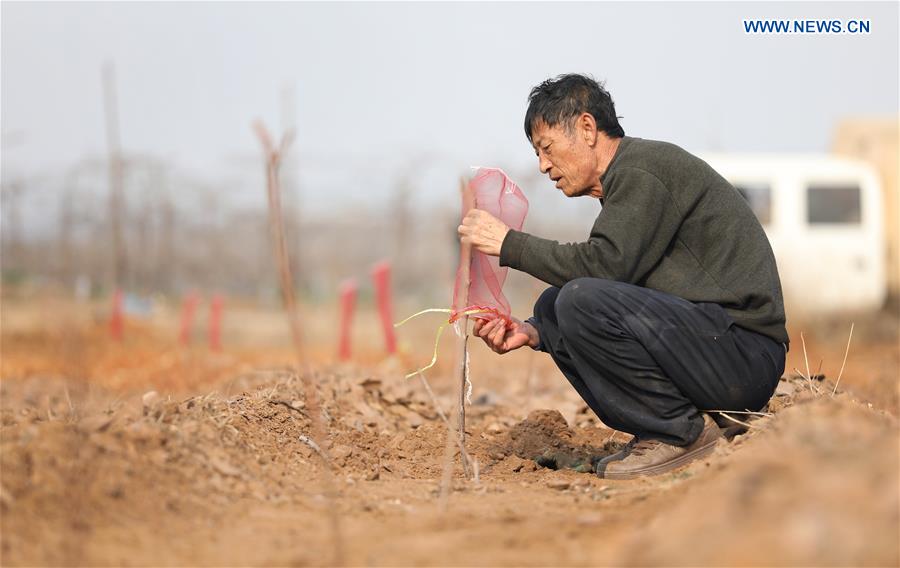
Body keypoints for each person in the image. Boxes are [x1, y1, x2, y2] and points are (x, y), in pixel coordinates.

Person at [457, 74, 788, 479]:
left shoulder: (644, 171)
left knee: (578, 298)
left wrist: (510, 244)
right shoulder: (629, 182)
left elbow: (605, 267)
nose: (543, 166)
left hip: (743, 356)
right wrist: (535, 333)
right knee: (553, 306)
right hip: (717, 350)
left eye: (546, 148)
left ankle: (679, 433)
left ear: (586, 128)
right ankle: (659, 428)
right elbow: (619, 284)